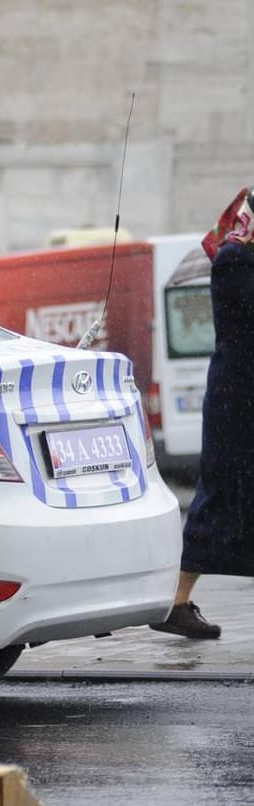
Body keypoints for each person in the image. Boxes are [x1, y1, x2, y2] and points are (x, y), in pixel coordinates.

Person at [155, 189, 254, 639]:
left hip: (240, 392)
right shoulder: (236, 258)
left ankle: (176, 602)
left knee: (225, 499)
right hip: (239, 400)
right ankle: (174, 603)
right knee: (220, 496)